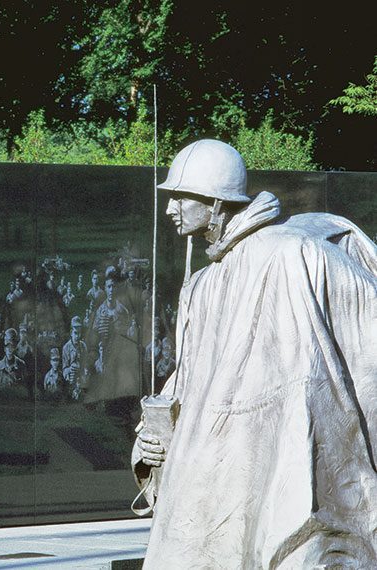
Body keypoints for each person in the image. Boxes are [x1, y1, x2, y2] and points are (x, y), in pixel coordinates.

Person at [133, 139, 377, 568]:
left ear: (215, 203)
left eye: (181, 197)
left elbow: (365, 337)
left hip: (279, 455)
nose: (170, 208)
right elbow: (186, 381)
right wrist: (150, 438)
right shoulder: (202, 285)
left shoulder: (292, 252)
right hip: (212, 471)